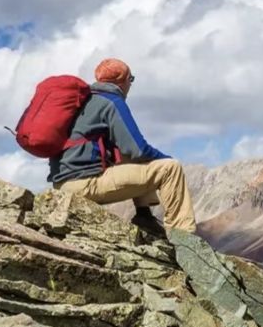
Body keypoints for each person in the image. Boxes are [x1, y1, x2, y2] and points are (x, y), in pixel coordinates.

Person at [49, 58, 197, 235]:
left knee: (126, 156)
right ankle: (185, 237)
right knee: (170, 168)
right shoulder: (112, 102)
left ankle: (144, 216)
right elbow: (137, 149)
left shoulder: (83, 100)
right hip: (85, 184)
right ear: (122, 81)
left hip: (62, 184)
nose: (131, 84)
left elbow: (127, 151)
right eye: (131, 79)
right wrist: (165, 158)